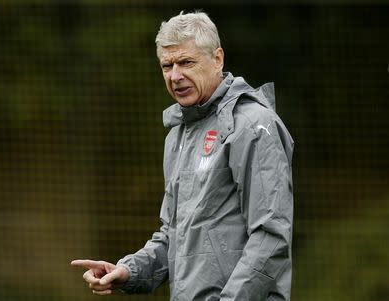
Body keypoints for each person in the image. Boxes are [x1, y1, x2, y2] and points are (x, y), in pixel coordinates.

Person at [72, 11, 294, 301]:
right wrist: (128, 271)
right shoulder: (179, 134)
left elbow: (271, 238)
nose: (175, 76)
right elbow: (174, 235)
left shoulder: (253, 125)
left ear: (217, 59)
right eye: (167, 65)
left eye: (186, 62)